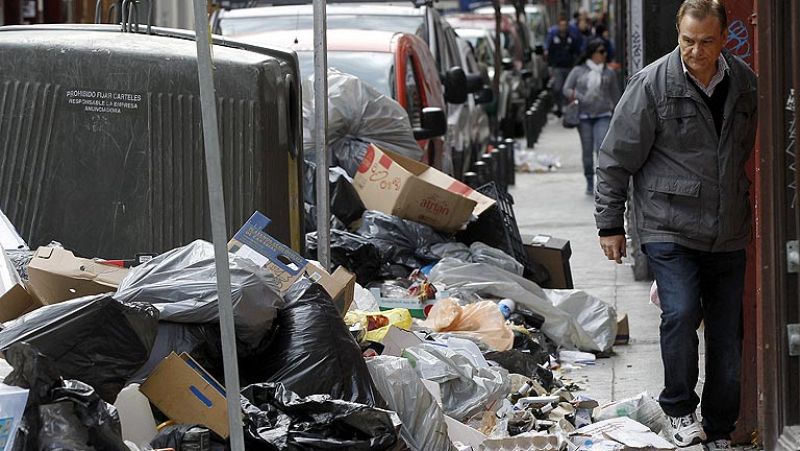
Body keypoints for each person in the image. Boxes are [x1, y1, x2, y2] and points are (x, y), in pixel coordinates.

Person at [594, 1, 757, 450]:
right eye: (688, 41)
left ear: (724, 38)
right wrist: (611, 224)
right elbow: (614, 159)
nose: (696, 51)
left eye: (707, 42)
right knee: (682, 313)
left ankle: (719, 428)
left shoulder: (744, 83)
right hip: (668, 226)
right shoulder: (651, 84)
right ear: (677, 35)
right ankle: (680, 409)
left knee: (727, 336)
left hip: (727, 230)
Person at [563, 39, 620, 195]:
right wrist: (579, 96)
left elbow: (616, 96)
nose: (604, 54)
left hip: (603, 115)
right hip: (583, 116)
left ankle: (601, 182)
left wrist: (619, 116)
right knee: (587, 151)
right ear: (592, 53)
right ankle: (589, 180)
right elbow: (566, 88)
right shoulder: (578, 71)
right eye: (601, 51)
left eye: (605, 51)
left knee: (601, 148)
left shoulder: (609, 72)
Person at [544, 15, 583, 116]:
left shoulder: (571, 38)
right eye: (561, 25)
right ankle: (559, 106)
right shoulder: (553, 38)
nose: (563, 27)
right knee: (557, 87)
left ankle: (567, 107)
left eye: (565, 25)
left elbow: (577, 51)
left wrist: (576, 63)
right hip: (557, 67)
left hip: (569, 66)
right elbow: (549, 51)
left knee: (568, 88)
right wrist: (550, 64)